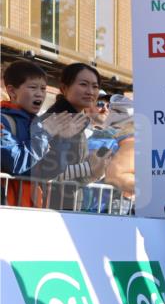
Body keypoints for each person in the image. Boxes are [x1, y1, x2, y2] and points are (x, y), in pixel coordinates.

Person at [1, 61, 87, 206]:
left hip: (33, 208)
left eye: (43, 89)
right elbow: (15, 164)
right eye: (33, 87)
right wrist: (45, 135)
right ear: (12, 91)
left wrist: (61, 139)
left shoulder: (40, 124)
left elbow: (48, 171)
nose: (39, 94)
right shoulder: (3, 121)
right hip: (7, 207)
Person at [35, 63, 111, 210]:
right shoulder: (56, 119)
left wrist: (94, 171)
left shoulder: (77, 120)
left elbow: (72, 177)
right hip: (48, 207)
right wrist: (88, 169)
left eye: (95, 86)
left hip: (68, 206)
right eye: (83, 84)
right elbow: (44, 171)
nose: (90, 91)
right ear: (64, 88)